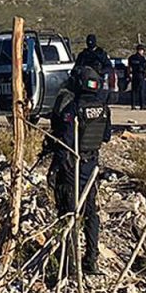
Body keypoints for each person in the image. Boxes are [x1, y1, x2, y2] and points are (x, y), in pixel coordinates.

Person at [44, 64, 112, 276]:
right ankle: (91, 260)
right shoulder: (103, 108)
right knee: (90, 213)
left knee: (68, 214)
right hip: (91, 167)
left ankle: (68, 263)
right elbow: (106, 136)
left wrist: (55, 168)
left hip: (72, 167)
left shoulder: (73, 108)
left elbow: (65, 143)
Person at [74, 34, 114, 103]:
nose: (90, 43)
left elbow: (108, 66)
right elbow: (76, 67)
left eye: (91, 41)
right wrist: (78, 71)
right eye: (88, 42)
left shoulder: (101, 54)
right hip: (83, 81)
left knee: (97, 99)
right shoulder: (83, 54)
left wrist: (101, 71)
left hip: (96, 81)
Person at [126, 44, 146, 109]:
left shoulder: (131, 57)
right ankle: (142, 105)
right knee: (141, 91)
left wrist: (129, 74)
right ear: (141, 50)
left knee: (133, 91)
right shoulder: (142, 58)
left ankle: (133, 105)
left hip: (134, 75)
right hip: (140, 75)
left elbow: (129, 67)